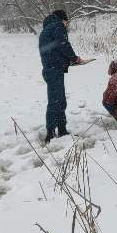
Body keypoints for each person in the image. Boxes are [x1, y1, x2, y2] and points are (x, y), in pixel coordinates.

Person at [39, 9, 84, 143]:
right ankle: (51, 133)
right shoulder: (57, 25)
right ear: (62, 19)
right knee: (55, 101)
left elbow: (53, 49)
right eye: (66, 22)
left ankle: (61, 129)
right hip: (54, 70)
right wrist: (74, 58)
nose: (66, 25)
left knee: (59, 100)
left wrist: (66, 61)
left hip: (51, 68)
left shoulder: (47, 29)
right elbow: (62, 43)